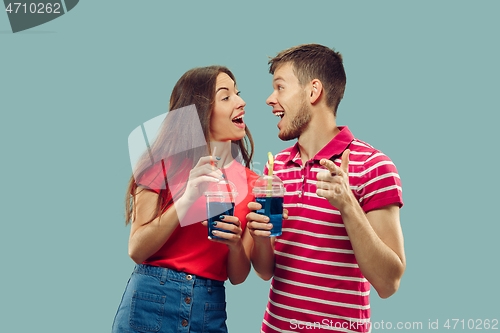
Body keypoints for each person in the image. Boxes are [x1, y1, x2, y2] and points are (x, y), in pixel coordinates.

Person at [247, 44, 405, 332]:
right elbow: (266, 271)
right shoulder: (276, 168)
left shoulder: (374, 165)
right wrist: (259, 236)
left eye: (280, 87)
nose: (270, 99)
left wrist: (347, 204)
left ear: (313, 91)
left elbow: (388, 283)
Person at [112, 65, 258, 333]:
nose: (241, 101)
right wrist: (188, 197)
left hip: (208, 306)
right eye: (226, 97)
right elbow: (137, 249)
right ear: (199, 112)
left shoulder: (253, 184)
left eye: (238, 93)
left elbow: (237, 277)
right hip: (150, 300)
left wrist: (236, 245)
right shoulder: (159, 165)